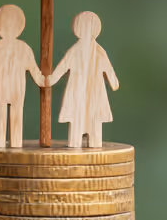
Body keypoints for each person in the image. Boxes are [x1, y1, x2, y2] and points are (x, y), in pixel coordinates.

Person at [47, 11, 119, 148]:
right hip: (91, 93)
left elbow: (62, 68)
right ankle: (88, 143)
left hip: (80, 91)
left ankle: (82, 143)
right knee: (88, 119)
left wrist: (50, 79)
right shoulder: (98, 51)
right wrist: (114, 82)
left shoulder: (77, 50)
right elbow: (110, 73)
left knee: (82, 119)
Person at [0, 4, 45, 148]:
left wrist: (41, 79)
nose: (9, 29)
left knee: (16, 116)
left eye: (13, 26)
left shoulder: (23, 49)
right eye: (5, 25)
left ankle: (16, 142)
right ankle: (0, 142)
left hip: (17, 90)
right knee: (1, 115)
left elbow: (33, 67)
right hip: (2, 89)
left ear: (19, 27)